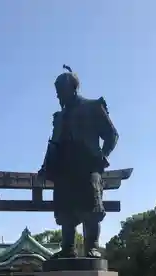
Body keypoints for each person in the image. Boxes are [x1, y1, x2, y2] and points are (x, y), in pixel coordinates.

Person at [38, 65, 119, 258]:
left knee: (90, 208)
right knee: (66, 211)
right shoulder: (60, 117)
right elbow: (53, 145)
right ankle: (68, 248)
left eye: (61, 92)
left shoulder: (93, 107)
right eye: (57, 93)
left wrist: (104, 155)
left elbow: (111, 134)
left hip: (88, 164)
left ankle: (92, 246)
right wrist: (44, 168)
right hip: (64, 168)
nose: (58, 97)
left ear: (73, 88)